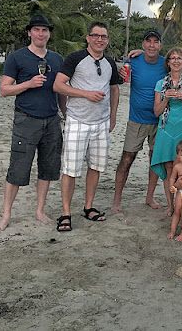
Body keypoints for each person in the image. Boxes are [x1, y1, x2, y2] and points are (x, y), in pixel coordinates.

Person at [0, 15, 66, 231]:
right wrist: (28, 83)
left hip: (52, 120)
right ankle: (6, 214)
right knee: (18, 168)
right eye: (36, 30)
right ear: (29, 33)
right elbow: (4, 90)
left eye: (44, 30)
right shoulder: (17, 57)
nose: (41, 34)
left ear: (49, 33)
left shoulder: (57, 59)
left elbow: (60, 90)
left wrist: (65, 113)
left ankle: (39, 210)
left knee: (48, 167)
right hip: (26, 119)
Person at [52, 21, 120, 231]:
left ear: (107, 40)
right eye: (96, 35)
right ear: (88, 38)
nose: (100, 39)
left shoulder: (110, 62)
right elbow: (58, 85)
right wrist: (85, 94)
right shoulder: (75, 58)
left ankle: (88, 206)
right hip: (78, 120)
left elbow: (114, 89)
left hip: (101, 123)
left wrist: (113, 115)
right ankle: (65, 212)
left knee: (96, 166)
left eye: (104, 36)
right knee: (70, 169)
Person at [111, 30, 166, 212]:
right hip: (136, 120)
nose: (151, 45)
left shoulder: (166, 64)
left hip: (160, 121)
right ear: (143, 45)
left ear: (160, 45)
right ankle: (117, 200)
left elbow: (180, 62)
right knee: (126, 159)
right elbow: (121, 81)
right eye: (148, 42)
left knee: (155, 161)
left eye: (155, 42)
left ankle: (149, 197)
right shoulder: (132, 61)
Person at [150, 47, 182, 216]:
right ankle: (170, 205)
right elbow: (157, 112)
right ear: (168, 62)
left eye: (179, 58)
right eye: (172, 58)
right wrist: (166, 98)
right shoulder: (161, 83)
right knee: (169, 168)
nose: (176, 61)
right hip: (166, 129)